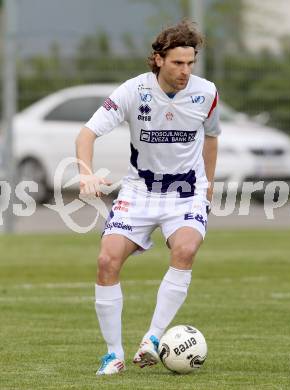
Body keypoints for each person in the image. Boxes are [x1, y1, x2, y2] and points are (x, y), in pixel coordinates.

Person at [76, 19, 220, 375]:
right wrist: (85, 172)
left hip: (185, 194)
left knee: (185, 250)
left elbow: (213, 138)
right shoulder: (132, 91)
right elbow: (87, 133)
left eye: (190, 63)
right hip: (139, 192)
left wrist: (209, 186)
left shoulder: (207, 93)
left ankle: (153, 340)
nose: (185, 71)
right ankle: (113, 355)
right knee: (107, 261)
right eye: (177, 63)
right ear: (158, 59)